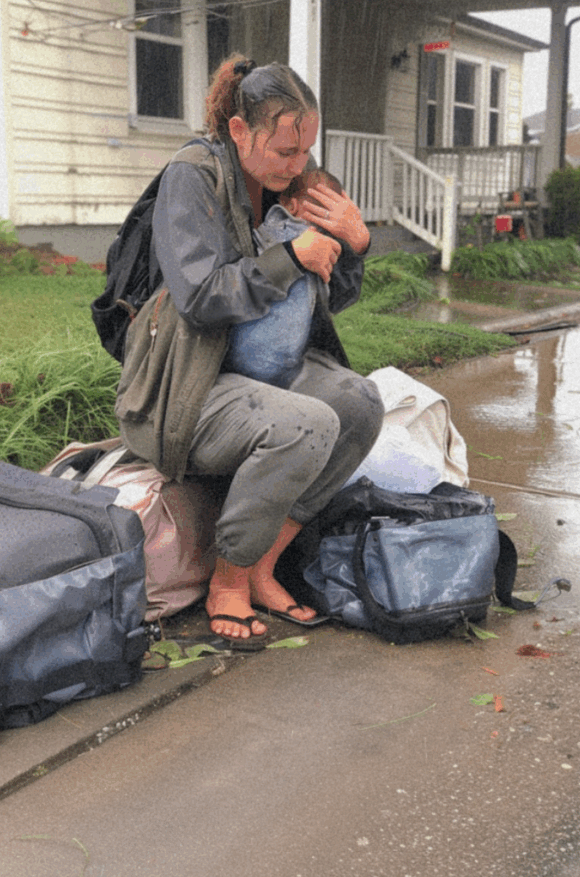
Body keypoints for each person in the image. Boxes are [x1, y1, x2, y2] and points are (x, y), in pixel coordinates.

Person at [114, 55, 384, 648]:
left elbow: (326, 300)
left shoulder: (293, 184)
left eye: (306, 149)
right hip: (186, 385)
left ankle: (262, 565)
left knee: (361, 403)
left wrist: (354, 244)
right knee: (308, 424)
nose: (299, 164)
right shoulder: (193, 177)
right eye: (285, 151)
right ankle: (228, 581)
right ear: (240, 131)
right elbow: (201, 297)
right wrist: (289, 257)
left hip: (258, 374)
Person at [222, 168, 344, 389]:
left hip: (244, 358)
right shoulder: (319, 245)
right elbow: (329, 297)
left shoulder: (268, 231)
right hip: (285, 363)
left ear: (290, 205)